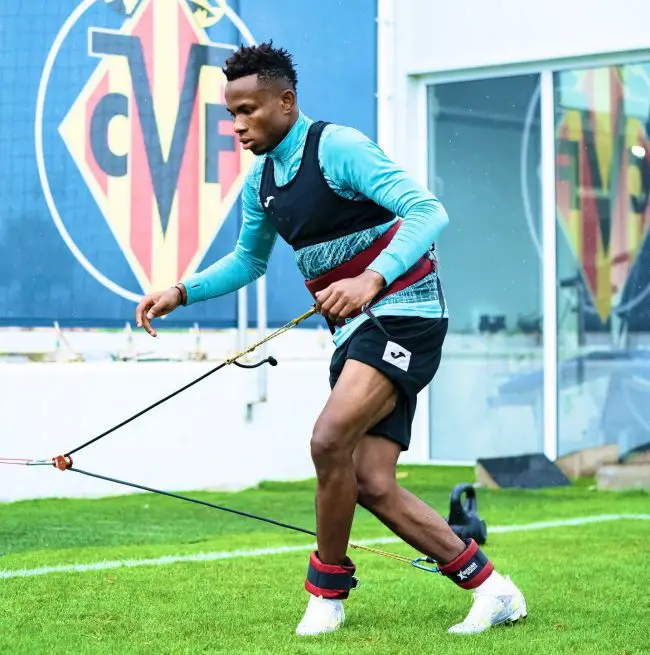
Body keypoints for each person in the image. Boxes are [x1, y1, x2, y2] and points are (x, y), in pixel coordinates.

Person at [135, 42, 527, 637]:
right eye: (232, 114)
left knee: (327, 439)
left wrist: (372, 278)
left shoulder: (338, 148)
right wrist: (181, 291)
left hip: (406, 314)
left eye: (248, 110)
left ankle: (327, 593)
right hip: (356, 329)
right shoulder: (261, 182)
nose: (238, 125)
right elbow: (248, 262)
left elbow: (427, 211)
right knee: (372, 483)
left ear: (286, 101)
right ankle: (493, 590)